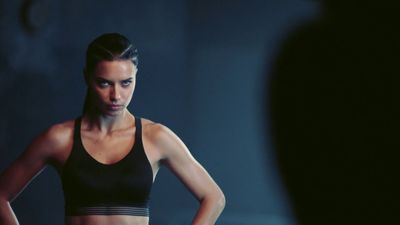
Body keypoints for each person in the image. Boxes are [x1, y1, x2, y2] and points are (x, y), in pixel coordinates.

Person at [0, 33, 225, 225]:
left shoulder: (155, 137)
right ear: (87, 78)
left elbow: (214, 197)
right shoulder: (60, 139)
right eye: (105, 83)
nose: (116, 96)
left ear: (136, 77)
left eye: (126, 82)